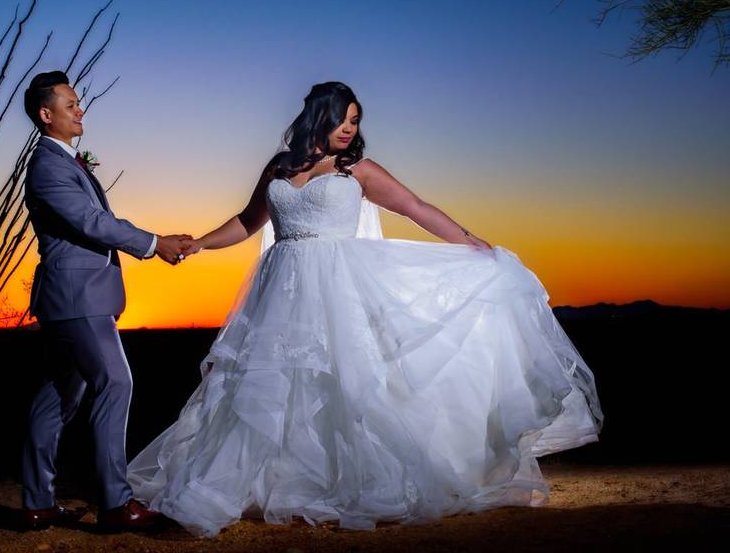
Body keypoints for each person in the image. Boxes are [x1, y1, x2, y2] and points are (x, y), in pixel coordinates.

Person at [127, 81, 603, 537]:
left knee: (348, 384)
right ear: (319, 117)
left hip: (337, 288)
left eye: (356, 120)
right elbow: (248, 222)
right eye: (343, 119)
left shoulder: (358, 171)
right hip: (280, 288)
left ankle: (359, 482)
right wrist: (200, 244)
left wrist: (473, 242)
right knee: (268, 386)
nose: (350, 128)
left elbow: (415, 206)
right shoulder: (278, 168)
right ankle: (257, 482)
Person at [20, 70, 192, 531]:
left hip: (72, 297)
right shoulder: (48, 166)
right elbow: (92, 223)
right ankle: (116, 503)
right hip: (78, 297)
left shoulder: (66, 162)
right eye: (71, 105)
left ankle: (38, 502)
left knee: (59, 396)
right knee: (115, 384)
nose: (80, 111)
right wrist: (155, 242)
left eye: (78, 104)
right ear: (46, 114)